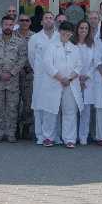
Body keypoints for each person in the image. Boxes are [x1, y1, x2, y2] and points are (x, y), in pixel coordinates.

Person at [40, 22, 83, 148]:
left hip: (70, 84)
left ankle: (69, 139)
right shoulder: (51, 47)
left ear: (71, 33)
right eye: (64, 31)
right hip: (54, 83)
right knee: (51, 111)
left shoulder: (75, 48)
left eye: (69, 31)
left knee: (70, 111)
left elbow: (79, 66)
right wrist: (61, 78)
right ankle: (48, 137)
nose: (66, 33)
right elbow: (48, 65)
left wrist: (69, 79)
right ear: (59, 31)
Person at [0, 15, 27, 143]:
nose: (8, 27)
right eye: (5, 24)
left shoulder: (20, 42)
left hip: (12, 81)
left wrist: (12, 73)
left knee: (12, 108)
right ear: (1, 25)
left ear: (14, 26)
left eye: (10, 25)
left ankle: (11, 133)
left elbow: (22, 59)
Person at [30, 12, 59, 145]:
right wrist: (39, 70)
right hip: (40, 78)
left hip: (55, 78)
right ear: (41, 22)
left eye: (50, 18)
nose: (48, 20)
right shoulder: (35, 38)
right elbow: (31, 58)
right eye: (46, 18)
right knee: (39, 106)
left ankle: (52, 135)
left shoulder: (60, 37)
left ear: (54, 21)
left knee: (52, 107)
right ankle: (40, 135)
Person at [73, 20, 97, 145]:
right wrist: (77, 78)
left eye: (86, 28)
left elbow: (94, 63)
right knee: (73, 110)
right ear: (77, 29)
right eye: (81, 28)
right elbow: (69, 63)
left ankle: (83, 137)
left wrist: (86, 76)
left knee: (86, 111)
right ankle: (72, 136)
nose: (83, 30)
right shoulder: (72, 44)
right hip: (74, 80)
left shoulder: (92, 44)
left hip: (88, 81)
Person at [15, 13, 35, 140]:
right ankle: (16, 127)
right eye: (21, 20)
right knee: (14, 103)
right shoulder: (12, 35)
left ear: (30, 22)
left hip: (29, 74)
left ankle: (27, 127)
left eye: (26, 20)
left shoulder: (34, 37)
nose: (24, 22)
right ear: (18, 21)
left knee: (28, 103)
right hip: (15, 74)